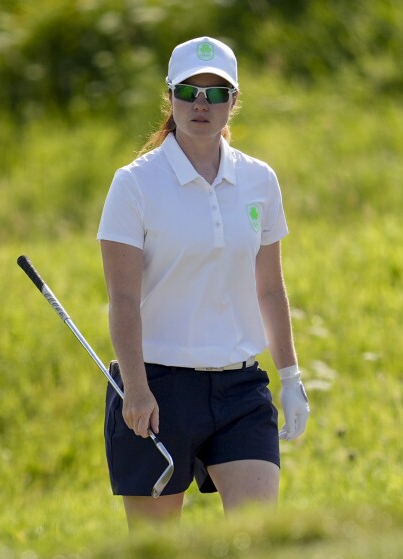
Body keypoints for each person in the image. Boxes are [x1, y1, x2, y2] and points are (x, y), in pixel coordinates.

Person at [95, 35, 310, 525]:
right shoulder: (134, 184)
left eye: (216, 93)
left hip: (239, 388)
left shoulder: (260, 181)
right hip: (157, 388)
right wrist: (136, 386)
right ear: (168, 95)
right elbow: (123, 299)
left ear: (233, 102)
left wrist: (291, 377)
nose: (201, 104)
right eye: (189, 90)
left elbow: (270, 288)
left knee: (257, 544)